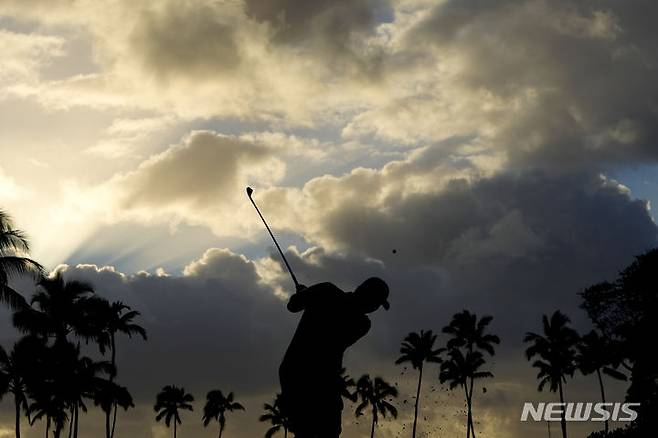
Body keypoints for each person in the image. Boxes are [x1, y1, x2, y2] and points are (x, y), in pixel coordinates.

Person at [279, 277, 390, 438]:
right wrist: (310, 295)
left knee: (306, 430)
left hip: (295, 372)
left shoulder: (326, 291)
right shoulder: (362, 323)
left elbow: (293, 305)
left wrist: (306, 294)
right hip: (321, 380)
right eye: (375, 303)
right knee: (322, 431)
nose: (374, 307)